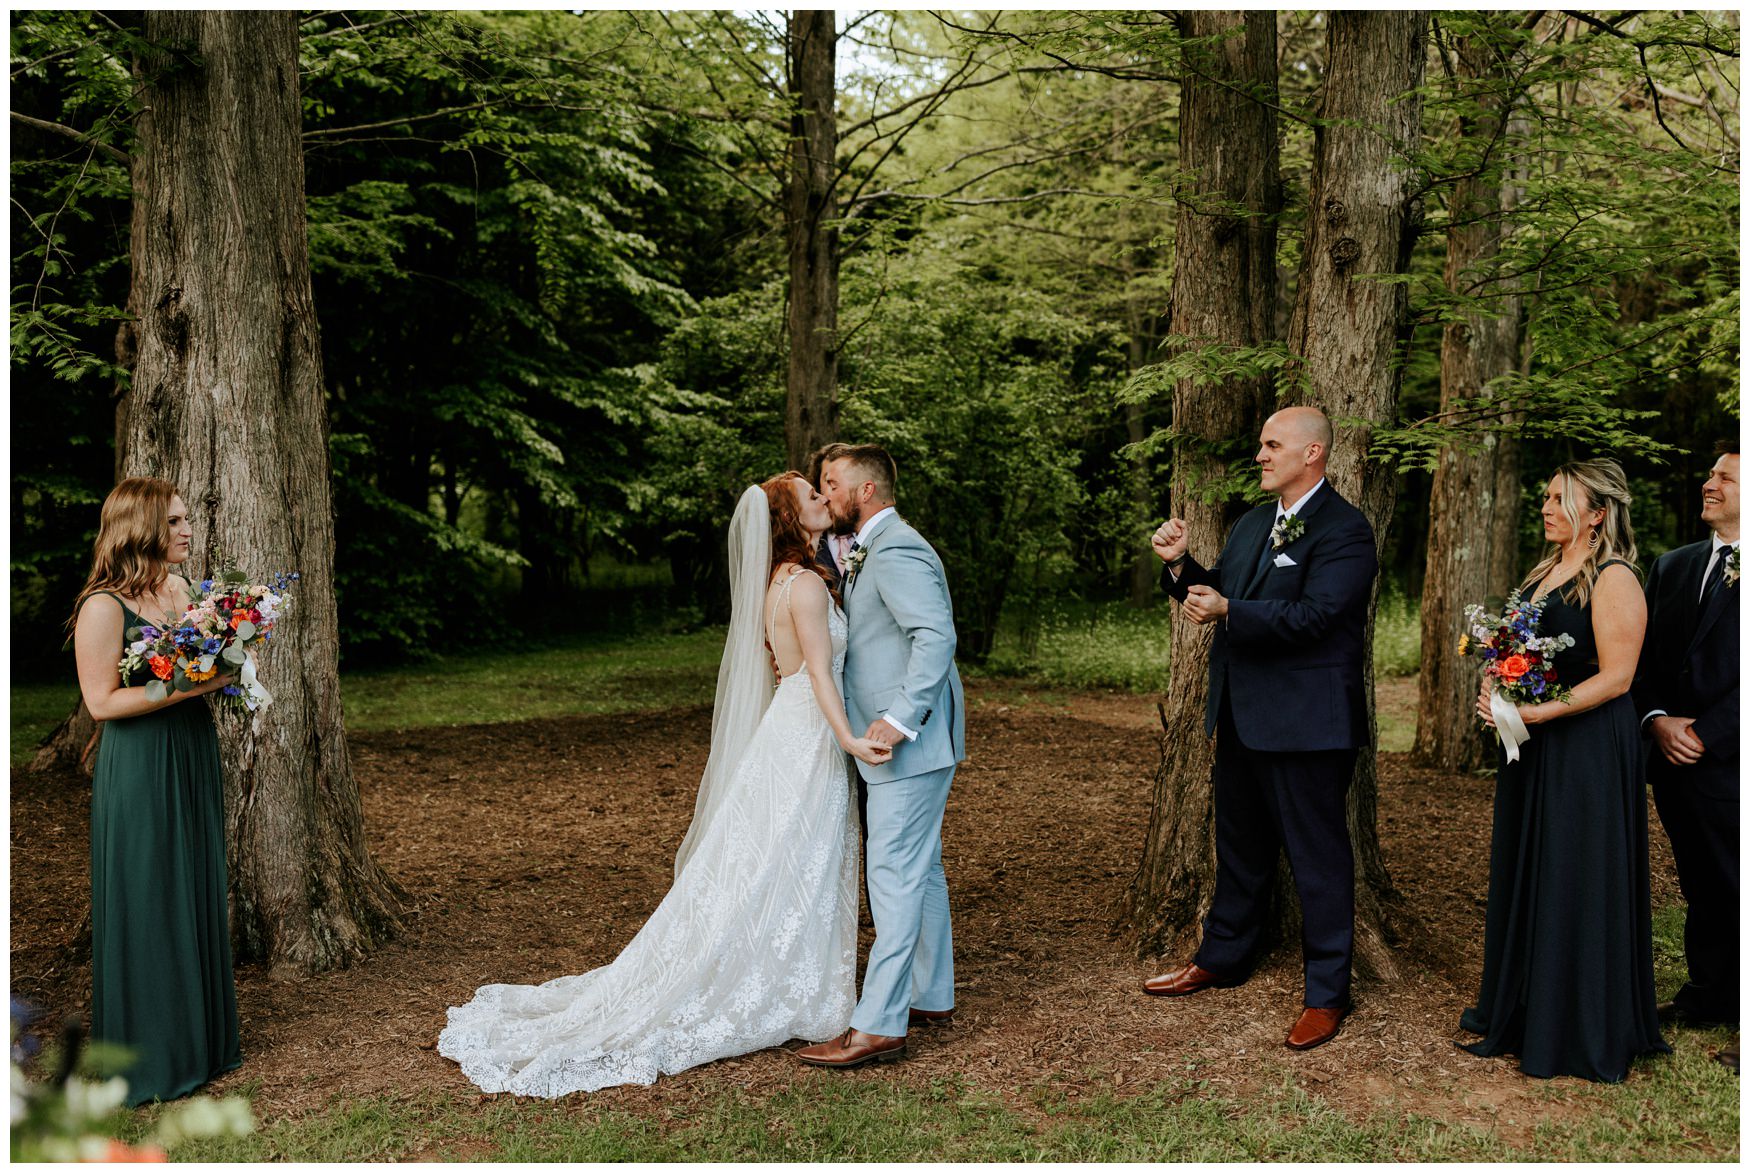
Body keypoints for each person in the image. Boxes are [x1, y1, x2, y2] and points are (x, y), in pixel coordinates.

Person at [438, 473, 891, 1096]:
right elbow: (819, 675)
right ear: (790, 521)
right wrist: (847, 739)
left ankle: (792, 976)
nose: (822, 499)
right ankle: (794, 986)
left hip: (786, 734)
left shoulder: (779, 583)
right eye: (811, 496)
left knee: (781, 859)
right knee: (798, 857)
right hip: (809, 735)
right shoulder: (808, 584)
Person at [1139, 406, 1376, 1052]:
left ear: (1313, 453)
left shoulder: (1346, 530)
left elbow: (1318, 616)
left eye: (1273, 445)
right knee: (1238, 846)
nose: (1260, 455)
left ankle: (1327, 993)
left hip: (1308, 725)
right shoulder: (1251, 524)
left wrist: (1229, 607)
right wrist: (1183, 567)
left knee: (1319, 861)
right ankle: (1223, 955)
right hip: (1242, 717)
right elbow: (1219, 594)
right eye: (1261, 444)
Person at [1463, 458, 1669, 1082]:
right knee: (1534, 865)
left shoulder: (1614, 578)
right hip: (1535, 745)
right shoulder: (1544, 572)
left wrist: (1536, 712)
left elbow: (1618, 679)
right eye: (1547, 496)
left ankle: (1578, 1022)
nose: (1547, 507)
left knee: (1576, 872)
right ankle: (1526, 1005)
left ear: (1598, 513)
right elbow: (1517, 651)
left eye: (1561, 499)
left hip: (1586, 748)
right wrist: (1496, 686)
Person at [70, 477, 241, 1106]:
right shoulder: (104, 606)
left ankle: (202, 1042)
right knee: (149, 891)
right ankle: (152, 1056)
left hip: (191, 751)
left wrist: (228, 671)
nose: (187, 530)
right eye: (174, 521)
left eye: (185, 518)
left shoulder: (186, 592)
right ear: (140, 528)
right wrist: (190, 686)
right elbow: (100, 702)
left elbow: (205, 665)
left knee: (191, 882)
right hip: (141, 764)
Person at [797, 444, 966, 1068]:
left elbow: (936, 637)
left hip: (906, 740)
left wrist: (897, 722)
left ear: (866, 491)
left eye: (831, 483)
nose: (826, 493)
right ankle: (931, 991)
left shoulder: (896, 548)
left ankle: (879, 1024)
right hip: (906, 740)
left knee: (892, 873)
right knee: (917, 871)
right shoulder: (869, 546)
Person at [1634, 441, 1739, 1070]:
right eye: (1710, 472)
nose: (1710, 482)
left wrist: (1711, 732)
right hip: (1672, 763)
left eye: (1725, 477)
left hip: (1733, 759)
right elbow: (1640, 660)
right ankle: (1708, 995)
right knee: (1703, 885)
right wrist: (1656, 720)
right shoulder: (1672, 566)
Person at [805, 441, 854, 589]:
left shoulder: (876, 536)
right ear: (817, 484)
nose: (837, 487)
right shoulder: (805, 544)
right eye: (829, 480)